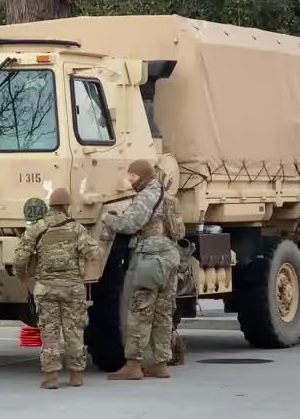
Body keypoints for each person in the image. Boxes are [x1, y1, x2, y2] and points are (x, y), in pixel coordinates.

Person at [100, 159, 185, 380]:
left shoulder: (145, 196)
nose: (130, 182)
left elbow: (129, 225)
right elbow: (179, 231)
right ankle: (160, 363)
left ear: (143, 176)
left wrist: (107, 218)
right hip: (170, 256)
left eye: (133, 177)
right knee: (162, 314)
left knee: (139, 311)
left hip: (149, 259)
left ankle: (133, 365)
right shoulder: (167, 196)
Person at [14, 188, 100, 389]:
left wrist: (23, 275)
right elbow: (93, 252)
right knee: (74, 331)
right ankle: (76, 376)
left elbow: (20, 257)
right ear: (66, 206)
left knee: (49, 333)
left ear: (50, 206)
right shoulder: (76, 228)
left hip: (46, 288)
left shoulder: (38, 227)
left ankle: (51, 377)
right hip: (72, 287)